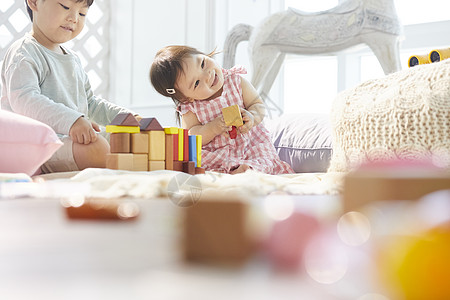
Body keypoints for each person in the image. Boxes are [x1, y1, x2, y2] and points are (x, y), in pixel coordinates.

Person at [1, 0, 138, 173]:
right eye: (65, 7)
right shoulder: (24, 51)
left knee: (126, 140)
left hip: (70, 142)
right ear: (34, 2)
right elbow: (25, 100)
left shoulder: (73, 59)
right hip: (40, 146)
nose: (74, 18)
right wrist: (72, 121)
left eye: (82, 14)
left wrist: (126, 117)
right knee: (97, 149)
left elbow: (91, 103)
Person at [150, 45, 294, 174]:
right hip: (216, 154)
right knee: (197, 167)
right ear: (187, 98)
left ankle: (247, 171)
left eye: (202, 63)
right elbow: (192, 136)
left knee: (263, 158)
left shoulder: (236, 81)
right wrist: (212, 128)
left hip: (250, 146)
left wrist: (251, 117)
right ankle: (230, 175)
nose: (207, 75)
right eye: (197, 83)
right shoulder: (190, 108)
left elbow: (258, 105)